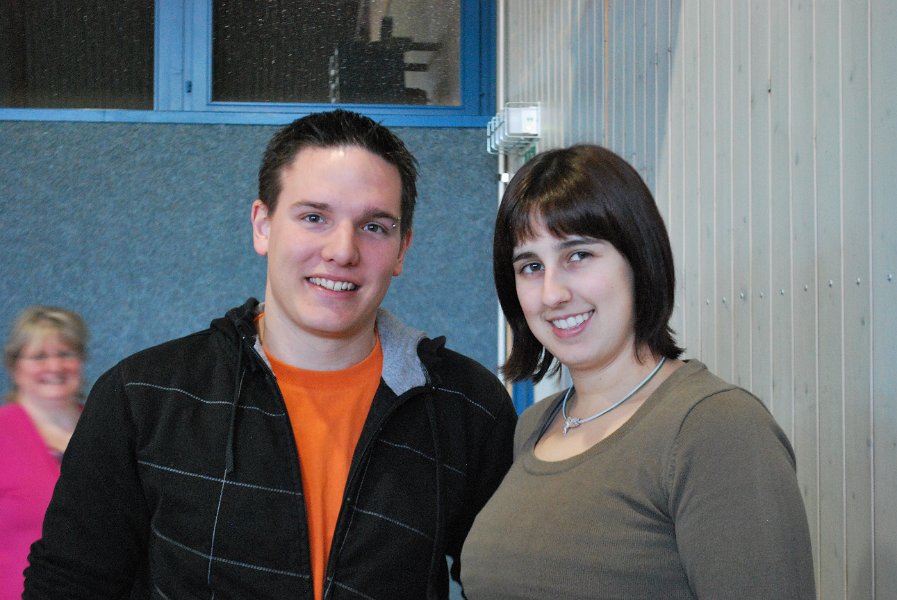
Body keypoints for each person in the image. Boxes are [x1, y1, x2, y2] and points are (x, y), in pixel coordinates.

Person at [24, 109, 516, 599]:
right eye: (314, 217)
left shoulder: (466, 406)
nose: (342, 251)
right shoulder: (143, 397)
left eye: (374, 227)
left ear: (402, 248)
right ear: (263, 226)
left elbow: (505, 581)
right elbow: (68, 585)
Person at [460, 144, 816, 599]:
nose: (551, 294)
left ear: (639, 258)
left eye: (578, 255)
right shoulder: (535, 426)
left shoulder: (716, 428)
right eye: (531, 266)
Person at [1, 306, 88, 600]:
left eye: (65, 354)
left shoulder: (108, 426)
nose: (54, 366)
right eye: (39, 357)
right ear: (14, 366)